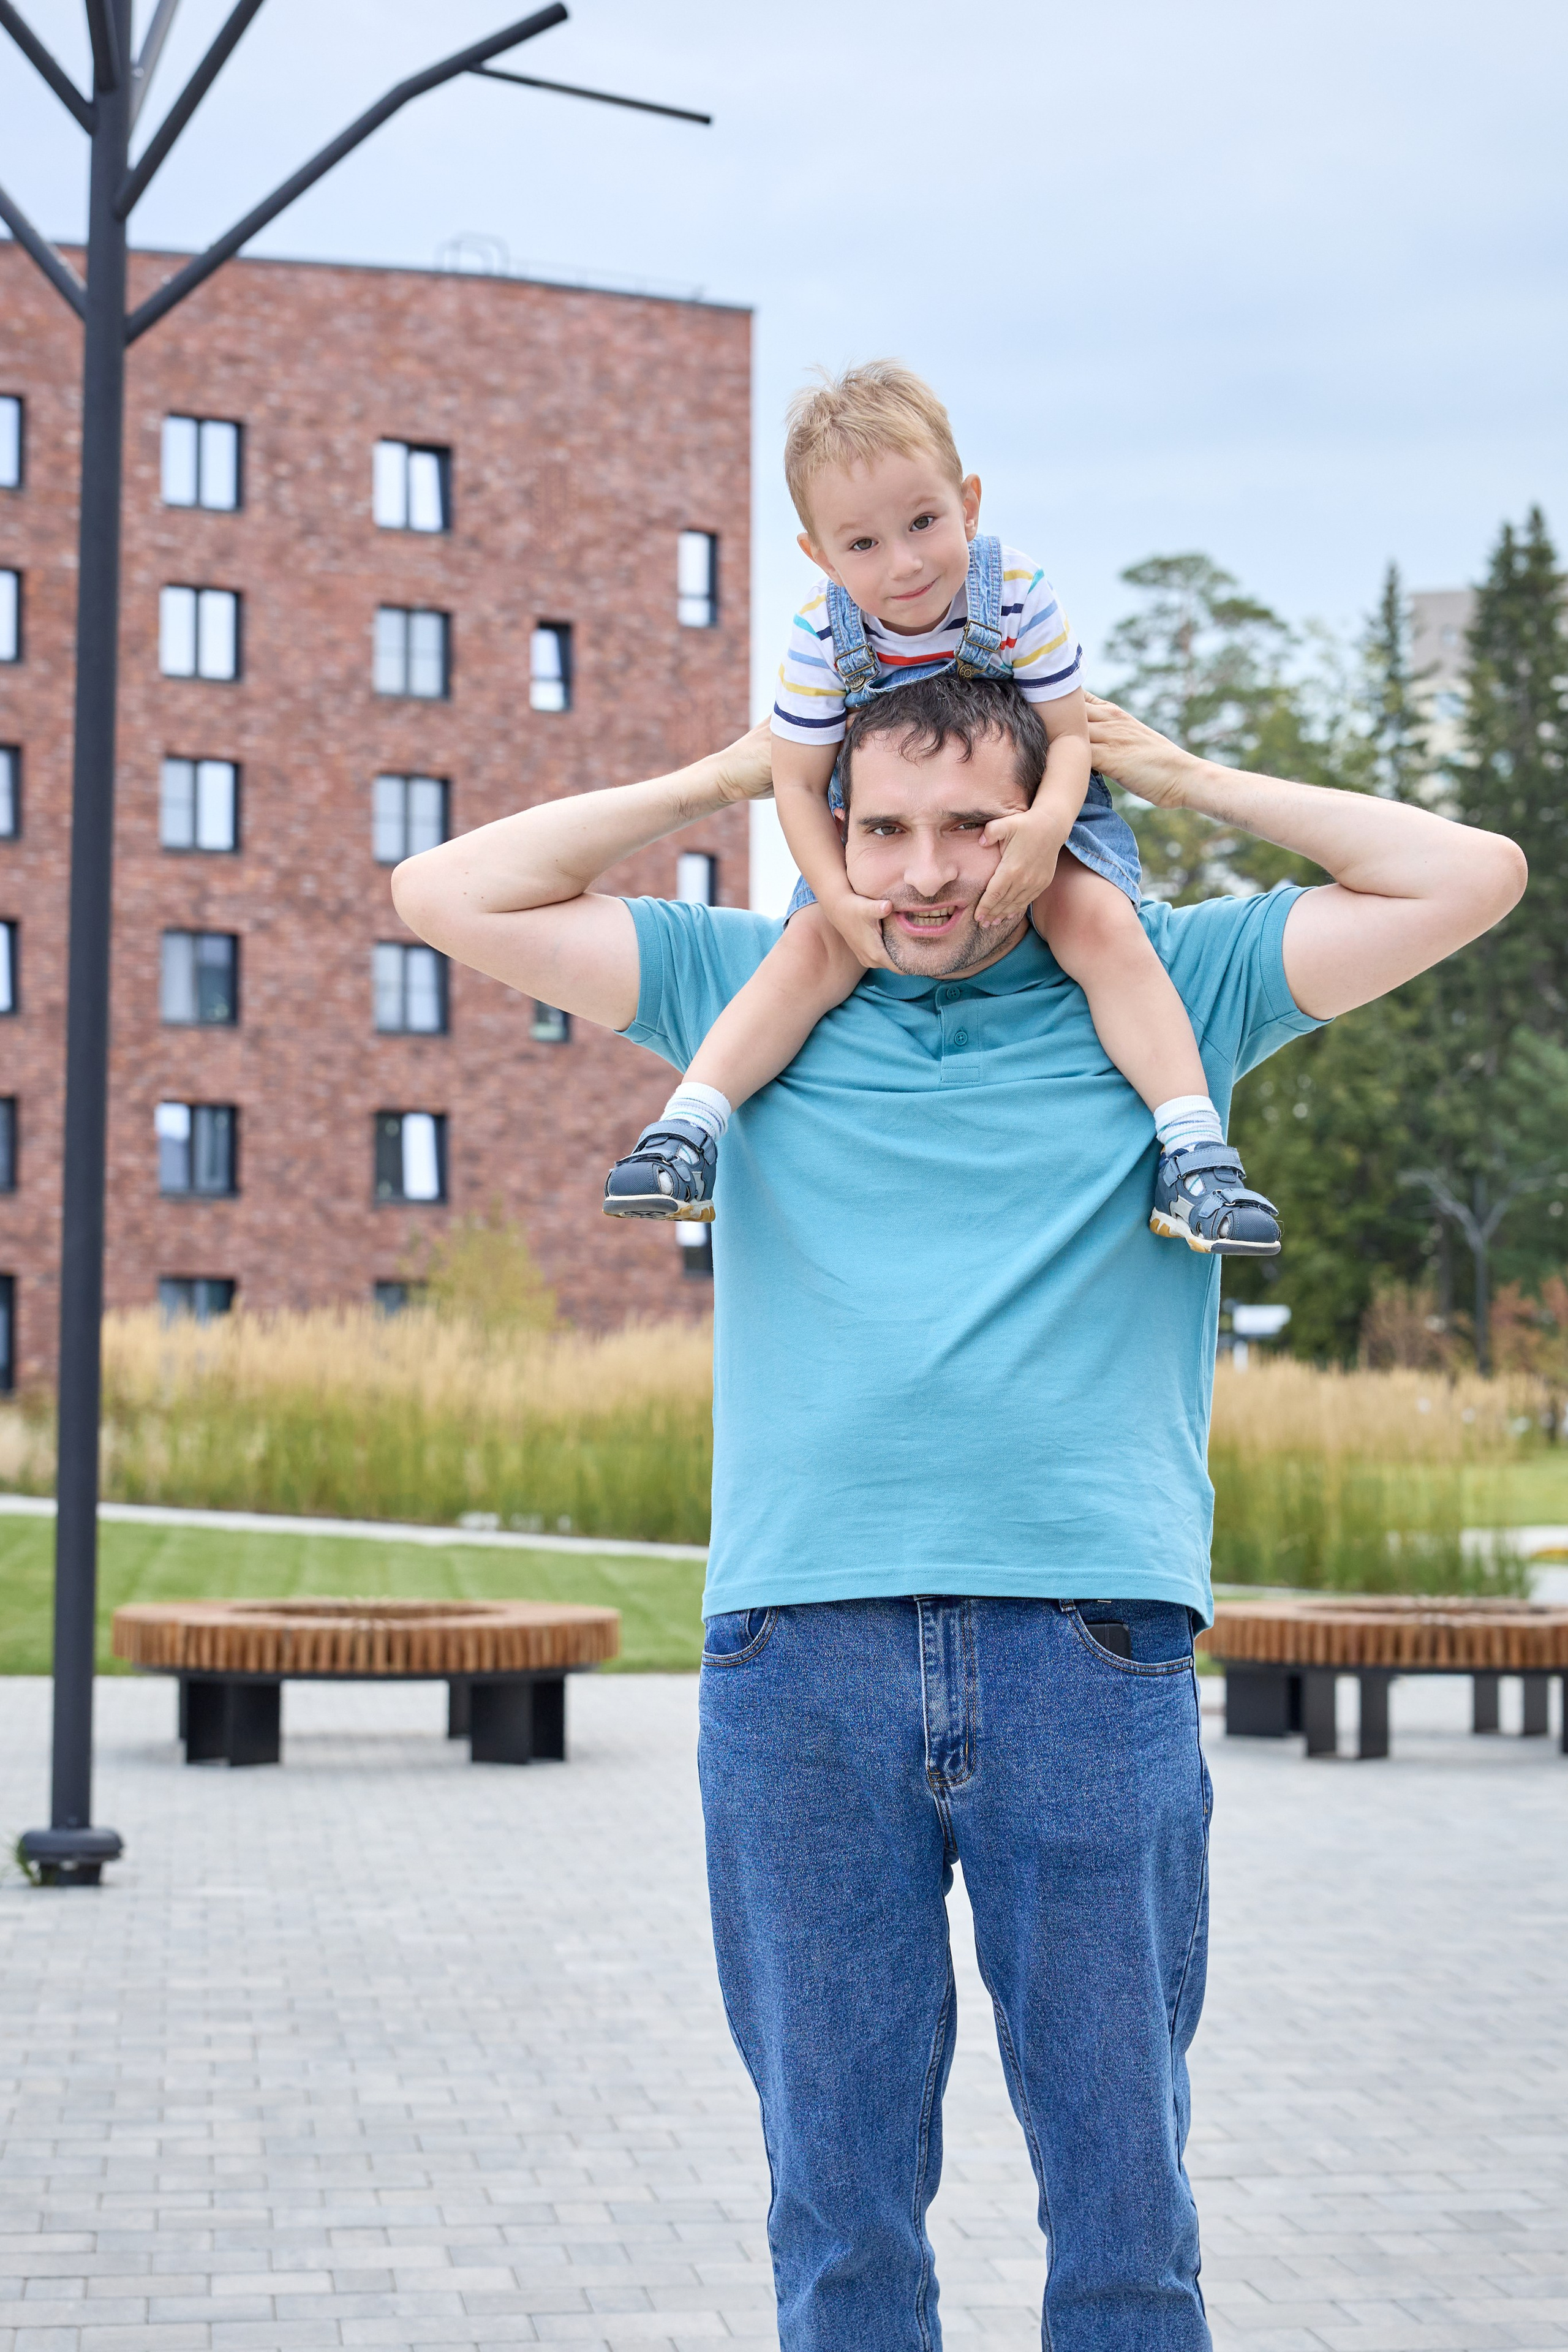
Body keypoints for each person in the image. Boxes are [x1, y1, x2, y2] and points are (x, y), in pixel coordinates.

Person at [391, 677, 1525, 2351]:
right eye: (882, 829)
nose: (923, 876)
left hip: (1088, 1650)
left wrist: (1166, 766)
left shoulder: (1170, 984)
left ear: (1048, 822)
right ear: (832, 832)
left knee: (1126, 2214)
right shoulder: (744, 989)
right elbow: (443, 895)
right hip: (798, 1657)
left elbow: (1469, 874)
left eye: (974, 828)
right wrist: (732, 768)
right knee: (840, 2225)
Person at [603, 362, 1280, 1258]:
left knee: (1102, 928)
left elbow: (1072, 740)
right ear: (818, 556)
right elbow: (801, 787)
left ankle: (1193, 1153)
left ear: (968, 503)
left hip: (1041, 804)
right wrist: (837, 899)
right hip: (886, 823)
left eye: (924, 523)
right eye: (865, 545)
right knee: (810, 948)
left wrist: (1043, 833)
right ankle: (688, 1129)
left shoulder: (1019, 593)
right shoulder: (818, 637)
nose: (906, 563)